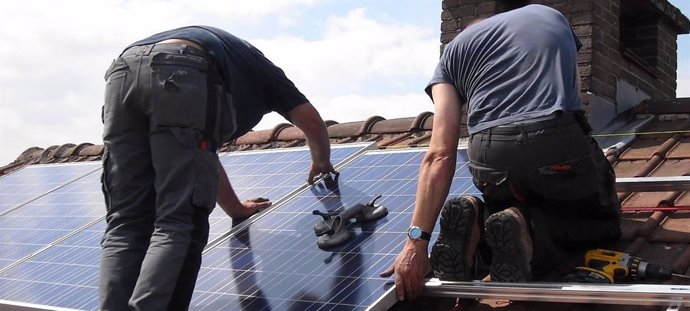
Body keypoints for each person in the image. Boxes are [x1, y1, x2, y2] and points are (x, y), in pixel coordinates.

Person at [381, 4, 621, 302]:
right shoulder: (549, 15)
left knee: (508, 201)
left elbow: (440, 152)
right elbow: (575, 100)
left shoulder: (450, 55)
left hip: (489, 153)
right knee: (605, 223)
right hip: (554, 137)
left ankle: (478, 220)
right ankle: (529, 231)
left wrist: (416, 241)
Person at [99, 26, 338, 310]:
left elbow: (203, 158)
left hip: (122, 72)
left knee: (125, 223)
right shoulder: (266, 74)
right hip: (181, 70)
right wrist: (321, 162)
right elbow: (311, 122)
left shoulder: (232, 65)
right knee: (178, 221)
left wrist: (235, 208)